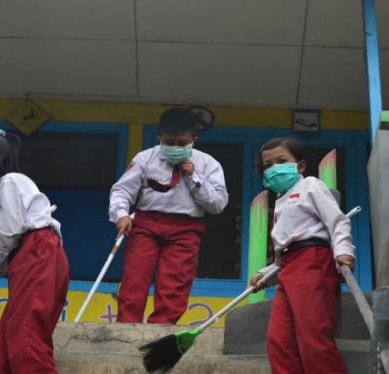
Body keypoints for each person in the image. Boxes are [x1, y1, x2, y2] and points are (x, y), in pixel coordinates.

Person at [0, 129, 70, 374]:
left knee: (26, 337)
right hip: (31, 257)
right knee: (4, 342)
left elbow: (9, 233)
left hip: (38, 254)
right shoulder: (9, 191)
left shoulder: (10, 182)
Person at [109, 107, 229, 324]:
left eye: (182, 143)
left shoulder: (208, 164)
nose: (175, 147)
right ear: (160, 138)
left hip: (186, 229)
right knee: (135, 279)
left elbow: (218, 204)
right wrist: (121, 215)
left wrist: (195, 177)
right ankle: (126, 329)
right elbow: (122, 190)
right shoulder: (145, 158)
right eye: (169, 142)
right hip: (146, 224)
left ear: (194, 139)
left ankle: (161, 331)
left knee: (174, 283)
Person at [248, 137, 355, 374]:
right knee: (279, 343)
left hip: (313, 262)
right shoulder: (280, 203)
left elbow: (337, 222)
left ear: (301, 166)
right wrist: (265, 274)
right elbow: (286, 252)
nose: (274, 168)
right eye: (267, 165)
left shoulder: (311, 186)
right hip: (288, 269)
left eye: (281, 160)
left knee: (313, 341)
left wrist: (344, 250)